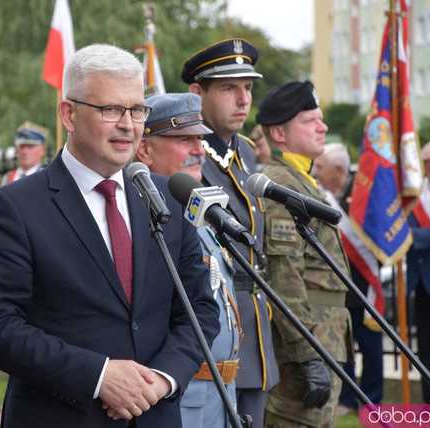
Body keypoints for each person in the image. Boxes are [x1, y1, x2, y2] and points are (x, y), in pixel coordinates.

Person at [0, 44, 220, 428]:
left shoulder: (168, 196)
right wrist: (99, 376)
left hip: (156, 414)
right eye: (110, 110)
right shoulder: (16, 206)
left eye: (137, 110)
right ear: (68, 114)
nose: (128, 124)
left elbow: (199, 309)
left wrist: (161, 380)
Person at [183, 37, 279, 427]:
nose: (243, 99)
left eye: (248, 87)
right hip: (210, 334)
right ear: (196, 93)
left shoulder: (246, 155)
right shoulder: (185, 157)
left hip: (253, 336)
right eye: (228, 88)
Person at [135, 92, 242, 428]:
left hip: (222, 393)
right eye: (184, 139)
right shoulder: (139, 221)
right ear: (145, 149)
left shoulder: (201, 218)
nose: (199, 149)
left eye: (200, 138)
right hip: (178, 394)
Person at [257, 80, 351, 428]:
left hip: (323, 334)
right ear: (279, 134)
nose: (322, 127)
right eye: (310, 120)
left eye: (321, 119)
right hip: (306, 344)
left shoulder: (302, 182)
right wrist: (308, 354)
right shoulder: (280, 186)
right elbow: (285, 277)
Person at [314, 143, 384, 413]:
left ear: (339, 170)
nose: (317, 171)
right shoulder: (325, 195)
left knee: (371, 346)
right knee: (345, 347)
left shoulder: (362, 195)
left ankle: (372, 399)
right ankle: (347, 398)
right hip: (339, 287)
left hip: (365, 285)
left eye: (322, 167)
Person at [407, 140, 430, 406]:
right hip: (421, 284)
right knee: (428, 351)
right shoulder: (413, 196)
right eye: (427, 161)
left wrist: (410, 237)